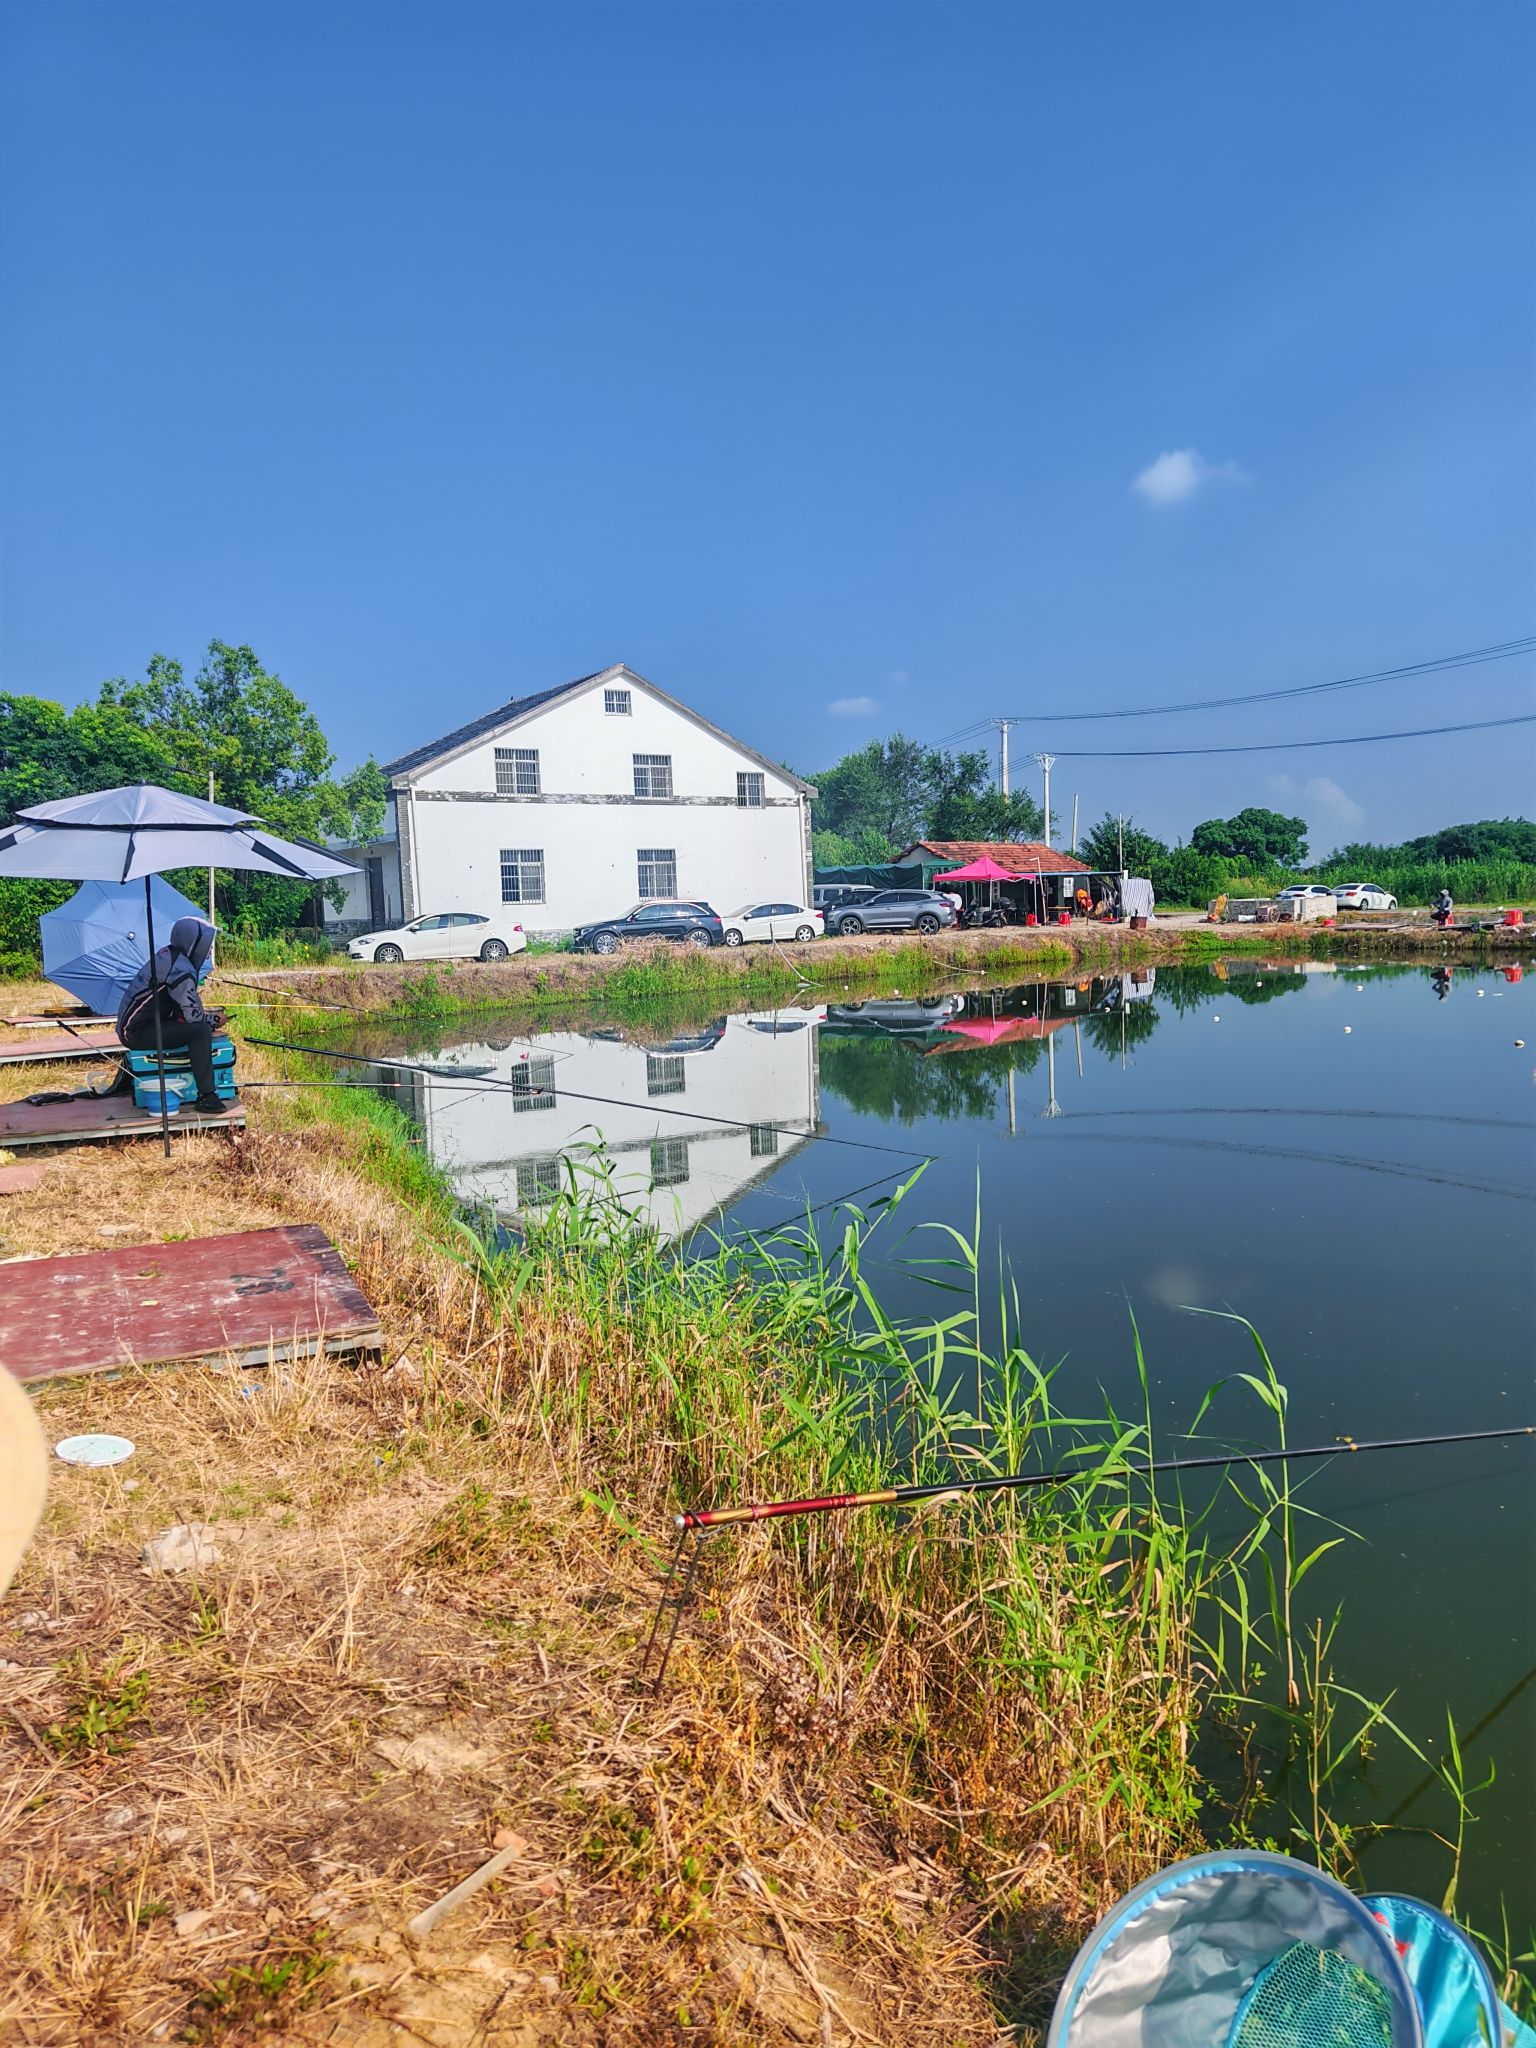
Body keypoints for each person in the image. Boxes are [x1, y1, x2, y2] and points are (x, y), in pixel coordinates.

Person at [115, 916, 231, 1116]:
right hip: (136, 1032)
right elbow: (194, 1017)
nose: (208, 951)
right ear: (193, 943)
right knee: (200, 1031)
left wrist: (208, 1016)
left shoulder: (170, 957)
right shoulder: (181, 970)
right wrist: (214, 1019)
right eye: (206, 945)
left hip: (143, 1025)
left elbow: (182, 1007)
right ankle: (207, 1096)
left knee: (197, 1028)